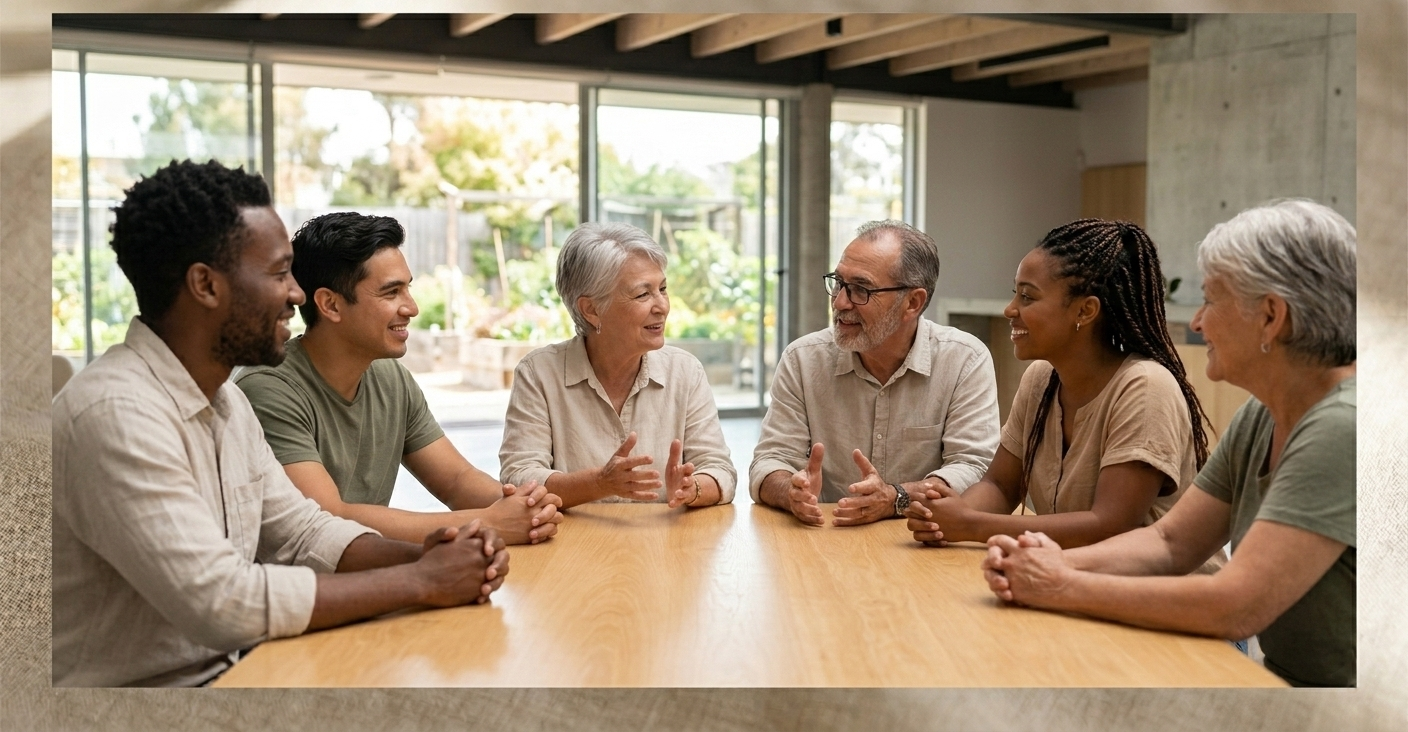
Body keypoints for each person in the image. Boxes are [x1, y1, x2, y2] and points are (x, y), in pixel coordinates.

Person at [52, 161, 509, 687]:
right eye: (277, 273)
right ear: (205, 285)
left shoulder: (226, 404)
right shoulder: (115, 414)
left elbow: (303, 532)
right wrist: (420, 580)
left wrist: (431, 555)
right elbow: (222, 601)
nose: (297, 293)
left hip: (240, 671)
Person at [982, 199, 1356, 688]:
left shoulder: (1342, 425)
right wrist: (1040, 563)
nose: (1198, 323)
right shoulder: (1262, 414)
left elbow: (1236, 606)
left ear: (1270, 317)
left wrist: (1060, 582)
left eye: (1211, 301)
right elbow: (1170, 542)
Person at [237, 212, 562, 545]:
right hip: (301, 590)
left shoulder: (389, 377)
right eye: (391, 293)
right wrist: (487, 521)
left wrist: (528, 507)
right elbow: (327, 517)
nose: (412, 307)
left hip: (369, 577)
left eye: (408, 289)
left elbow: (456, 480)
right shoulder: (268, 390)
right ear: (330, 304)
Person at [905, 220, 1216, 554]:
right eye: (1015, 294)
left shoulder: (1145, 387)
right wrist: (944, 516)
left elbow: (1109, 525)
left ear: (1086, 310)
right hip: (1069, 580)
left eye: (1027, 296)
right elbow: (1000, 485)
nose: (1011, 310)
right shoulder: (1041, 378)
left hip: (1154, 595)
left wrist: (971, 524)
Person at [750, 220, 1000, 527]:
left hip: (919, 541)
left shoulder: (965, 359)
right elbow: (769, 461)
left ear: (913, 302)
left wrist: (896, 498)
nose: (840, 302)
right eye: (838, 283)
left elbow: (975, 467)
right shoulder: (803, 359)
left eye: (860, 290)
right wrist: (790, 490)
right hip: (827, 538)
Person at [499, 222, 736, 509]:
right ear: (591, 309)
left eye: (662, 289)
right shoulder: (538, 373)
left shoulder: (685, 371)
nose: (661, 305)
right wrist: (598, 484)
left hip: (664, 546)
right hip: (571, 547)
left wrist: (692, 488)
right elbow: (520, 476)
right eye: (642, 294)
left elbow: (719, 468)